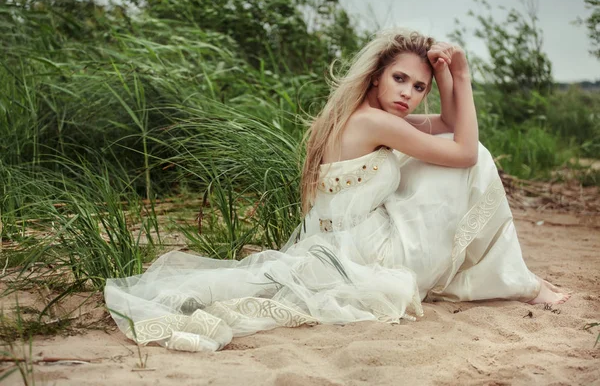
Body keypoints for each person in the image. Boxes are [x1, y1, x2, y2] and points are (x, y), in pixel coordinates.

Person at [104, 28, 569, 353]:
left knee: (455, 148)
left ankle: (511, 279)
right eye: (399, 79)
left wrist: (445, 77)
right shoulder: (375, 122)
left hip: (339, 245)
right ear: (375, 76)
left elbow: (449, 125)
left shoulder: (362, 117)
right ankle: (518, 282)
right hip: (370, 254)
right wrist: (463, 78)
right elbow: (464, 151)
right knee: (479, 158)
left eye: (418, 86)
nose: (408, 93)